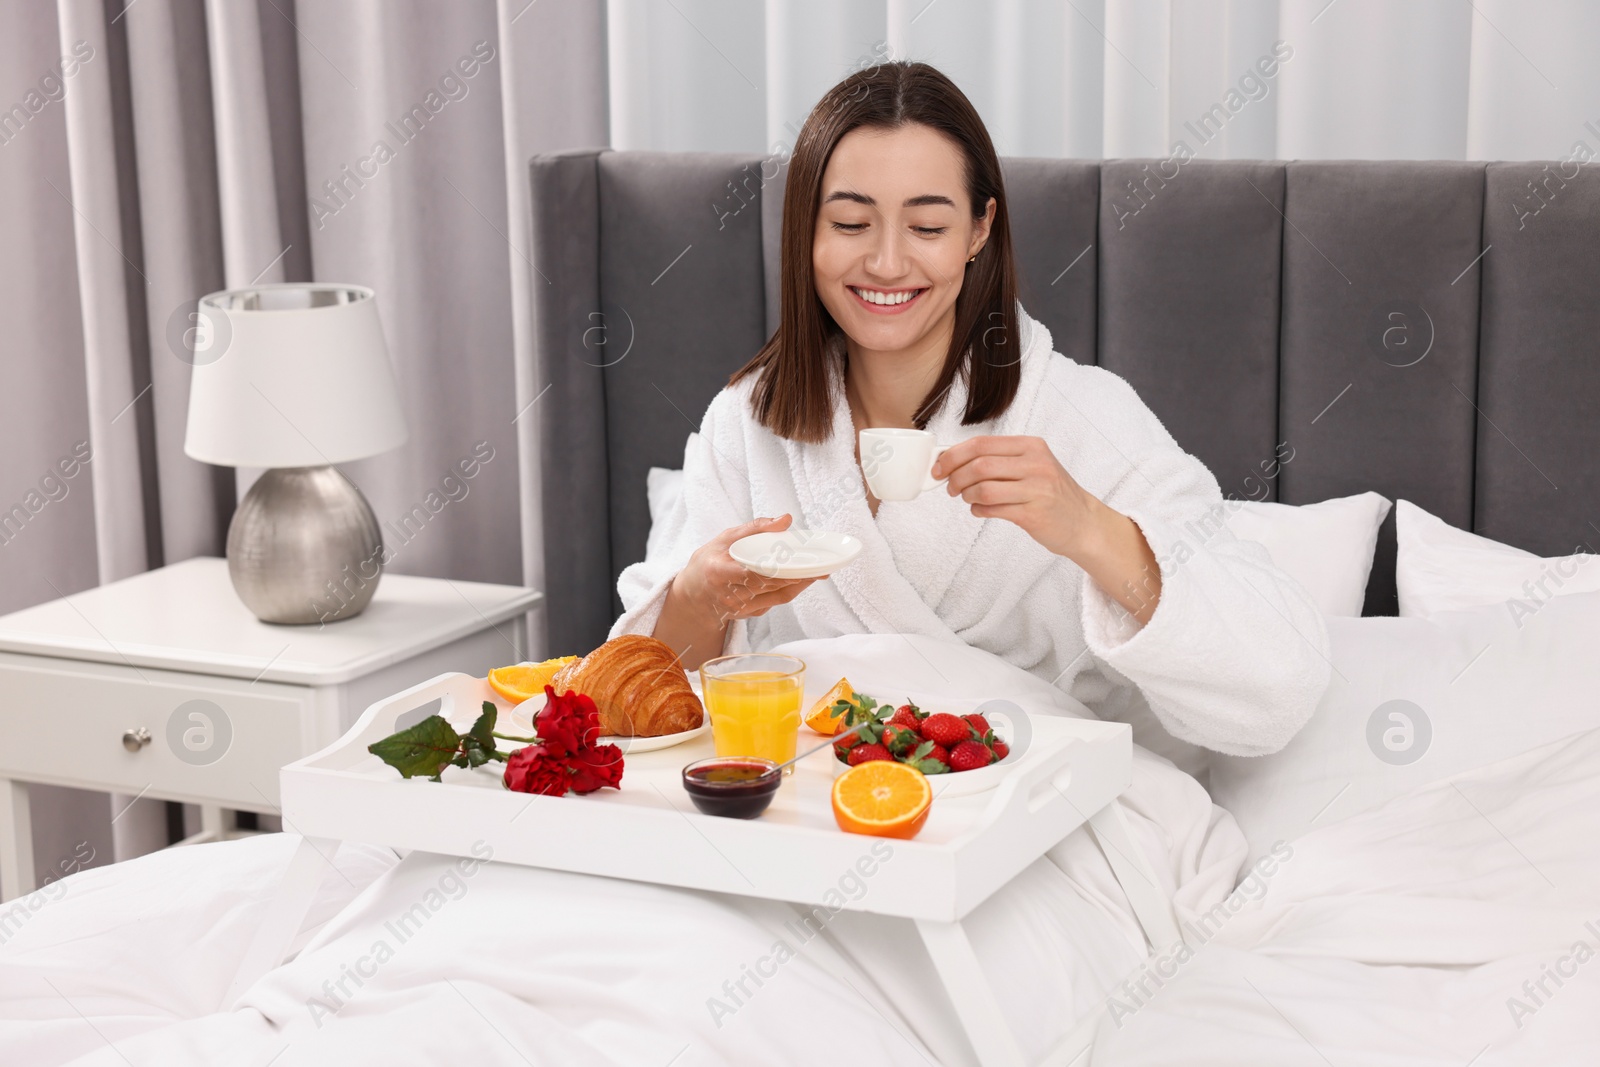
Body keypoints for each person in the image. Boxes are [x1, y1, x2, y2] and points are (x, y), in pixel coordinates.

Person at [614, 60, 1331, 768]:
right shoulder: (748, 423)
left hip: (1040, 805)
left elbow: (1279, 685)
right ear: (807, 230)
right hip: (806, 799)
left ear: (980, 230)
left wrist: (1089, 527)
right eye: (851, 222)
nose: (887, 262)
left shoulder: (1082, 416)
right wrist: (699, 596)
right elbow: (637, 699)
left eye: (927, 227)